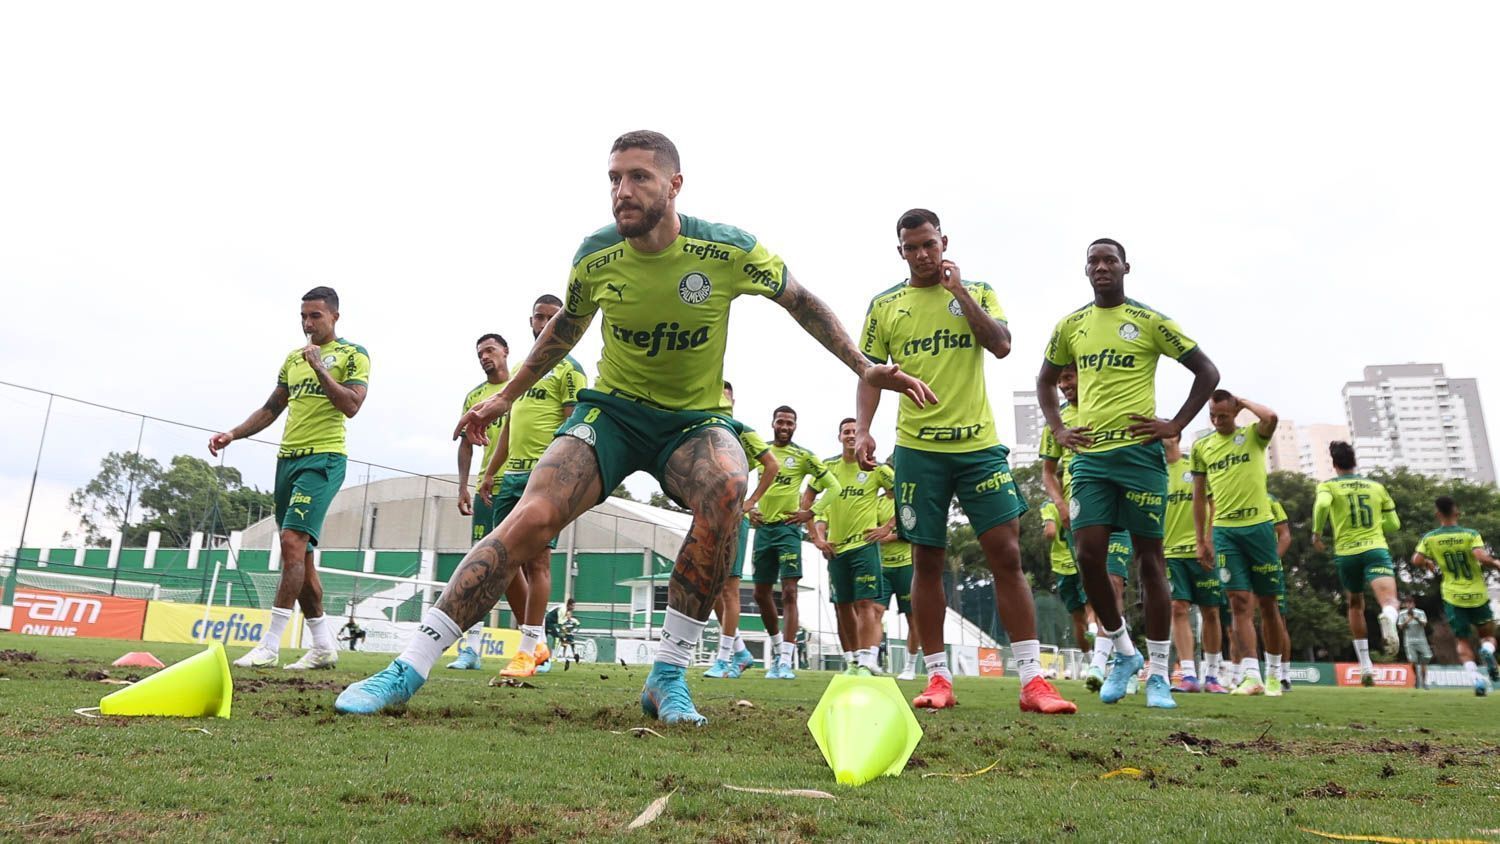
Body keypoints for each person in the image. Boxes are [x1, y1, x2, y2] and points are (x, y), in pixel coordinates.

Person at [336, 130, 932, 723]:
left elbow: (801, 302)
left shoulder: (728, 249)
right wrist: (503, 399)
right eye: (614, 179)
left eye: (638, 177)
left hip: (692, 422)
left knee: (727, 487)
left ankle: (667, 676)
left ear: (674, 185)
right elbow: (564, 330)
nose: (622, 191)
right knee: (533, 516)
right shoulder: (595, 254)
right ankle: (407, 667)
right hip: (612, 412)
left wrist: (863, 365)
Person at [857, 209, 1074, 714]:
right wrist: (864, 427)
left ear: (944, 242)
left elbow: (1000, 345)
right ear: (900, 251)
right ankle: (937, 679)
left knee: (1007, 555)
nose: (922, 254)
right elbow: (869, 373)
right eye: (912, 248)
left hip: (978, 447)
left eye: (929, 244)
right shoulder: (885, 305)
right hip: (918, 450)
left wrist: (960, 295)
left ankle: (1033, 681)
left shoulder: (977, 290)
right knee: (926, 561)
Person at [1038, 237, 1220, 709]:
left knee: (1149, 563)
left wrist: (1175, 425)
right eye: (1094, 261)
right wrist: (1058, 427)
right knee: (1088, 554)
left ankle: (1159, 673)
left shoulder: (1150, 321)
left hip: (1140, 458)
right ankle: (1123, 651)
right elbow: (1043, 380)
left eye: (1110, 260)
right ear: (1086, 270)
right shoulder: (1071, 326)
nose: (1102, 267)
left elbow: (1207, 371)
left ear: (1125, 267)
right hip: (1092, 459)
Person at [210, 287, 369, 670]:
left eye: (315, 315)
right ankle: (323, 646)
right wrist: (233, 433)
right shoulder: (291, 360)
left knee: (291, 541)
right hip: (287, 462)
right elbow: (271, 408)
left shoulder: (353, 355)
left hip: (324, 459)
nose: (308, 323)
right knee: (302, 559)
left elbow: (351, 405)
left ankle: (269, 645)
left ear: (334, 316)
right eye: (303, 316)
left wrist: (320, 368)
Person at [474, 295, 588, 678]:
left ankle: (526, 649)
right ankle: (537, 642)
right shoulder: (523, 369)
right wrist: (491, 471)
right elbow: (510, 425)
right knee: (502, 561)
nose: (541, 322)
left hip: (545, 479)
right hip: (511, 479)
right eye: (536, 316)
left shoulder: (570, 369)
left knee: (538, 561)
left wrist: (563, 473)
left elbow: (573, 424)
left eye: (549, 317)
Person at [1191, 391, 1286, 697]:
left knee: (1269, 604)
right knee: (1238, 603)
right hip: (1225, 531)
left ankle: (1274, 674)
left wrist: (1242, 401)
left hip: (1259, 528)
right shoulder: (1202, 447)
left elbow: (1270, 417)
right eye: (1213, 416)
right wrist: (1201, 539)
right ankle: (1251, 675)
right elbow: (1199, 497)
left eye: (1224, 416)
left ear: (1235, 413)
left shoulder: (1254, 436)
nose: (1218, 422)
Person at [751, 406, 841, 680]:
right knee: (759, 593)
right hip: (763, 530)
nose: (785, 426)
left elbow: (834, 486)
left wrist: (809, 512)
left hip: (788, 530)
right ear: (773, 423)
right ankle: (778, 649)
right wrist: (748, 506)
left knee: (789, 591)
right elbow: (738, 475)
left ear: (795, 426)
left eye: (790, 423)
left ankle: (787, 661)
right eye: (781, 421)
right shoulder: (761, 452)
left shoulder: (803, 456)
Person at [447, 332, 520, 671]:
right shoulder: (475, 397)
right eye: (480, 353)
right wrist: (464, 486)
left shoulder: (523, 384)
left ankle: (533, 645)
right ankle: (471, 648)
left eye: (490, 350)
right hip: (488, 490)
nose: (485, 357)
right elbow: (465, 443)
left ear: (506, 351)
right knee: (480, 564)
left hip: (524, 483)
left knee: (528, 565)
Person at [705, 381, 779, 679]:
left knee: (729, 587)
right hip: (708, 516)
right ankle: (740, 651)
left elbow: (771, 465)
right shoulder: (702, 431)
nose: (721, 400)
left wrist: (750, 502)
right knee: (709, 590)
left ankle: (724, 660)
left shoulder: (741, 430)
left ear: (733, 401)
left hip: (735, 518)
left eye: (725, 396)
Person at [1312, 441, 1401, 687]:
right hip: (1375, 549)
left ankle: (1365, 667)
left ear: (1334, 464)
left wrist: (1317, 533)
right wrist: (1374, 524)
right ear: (1355, 461)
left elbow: (1321, 505)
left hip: (1347, 553)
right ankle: (1388, 617)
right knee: (1390, 601)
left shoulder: (1328, 485)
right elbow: (1394, 525)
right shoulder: (1376, 487)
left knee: (1354, 604)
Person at [810, 418, 895, 675]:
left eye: (854, 432)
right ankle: (855, 659)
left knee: (866, 604)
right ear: (839, 437)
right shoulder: (827, 467)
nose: (850, 435)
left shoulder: (877, 469)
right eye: (846, 432)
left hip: (864, 547)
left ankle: (869, 658)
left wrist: (887, 527)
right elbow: (810, 498)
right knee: (843, 606)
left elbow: (902, 497)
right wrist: (817, 537)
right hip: (836, 550)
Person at [1410, 496, 1500, 695]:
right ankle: (1488, 651)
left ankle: (1476, 679)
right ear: (1457, 512)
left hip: (1453, 596)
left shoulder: (1430, 537)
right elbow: (1480, 557)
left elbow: (1416, 559)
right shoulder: (1470, 534)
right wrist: (1495, 563)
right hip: (1477, 594)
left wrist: (1427, 563)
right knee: (1487, 636)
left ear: (1437, 514)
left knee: (1463, 640)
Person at [1162, 431, 1225, 694]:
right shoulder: (1155, 473)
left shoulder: (1194, 468)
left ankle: (1211, 675)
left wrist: (1208, 540)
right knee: (1178, 608)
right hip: (1171, 552)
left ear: (1175, 436)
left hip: (1202, 550)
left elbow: (1213, 505)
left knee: (1210, 611)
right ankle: (1188, 674)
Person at [871, 478, 921, 680]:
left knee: (912, 617)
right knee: (875, 612)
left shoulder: (907, 501)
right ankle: (871, 661)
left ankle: (910, 666)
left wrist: (889, 535)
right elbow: (869, 528)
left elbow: (912, 529)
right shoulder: (877, 502)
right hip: (882, 566)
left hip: (905, 566)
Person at [1269, 494, 1294, 692]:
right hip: (1241, 565)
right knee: (1241, 615)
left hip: (1269, 569)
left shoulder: (1271, 500)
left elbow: (1285, 535)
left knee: (1278, 619)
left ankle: (1283, 675)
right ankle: (1244, 672)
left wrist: (1272, 560)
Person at [1396, 597, 1431, 690]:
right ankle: (1416, 678)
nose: (1409, 606)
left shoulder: (1420, 612)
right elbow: (1400, 627)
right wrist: (1408, 620)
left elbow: (1424, 624)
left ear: (1414, 604)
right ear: (1405, 605)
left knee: (1426, 659)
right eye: (1407, 604)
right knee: (1412, 661)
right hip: (1409, 641)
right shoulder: (1402, 613)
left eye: (1411, 603)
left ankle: (1424, 682)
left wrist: (1416, 618)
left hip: (1421, 640)